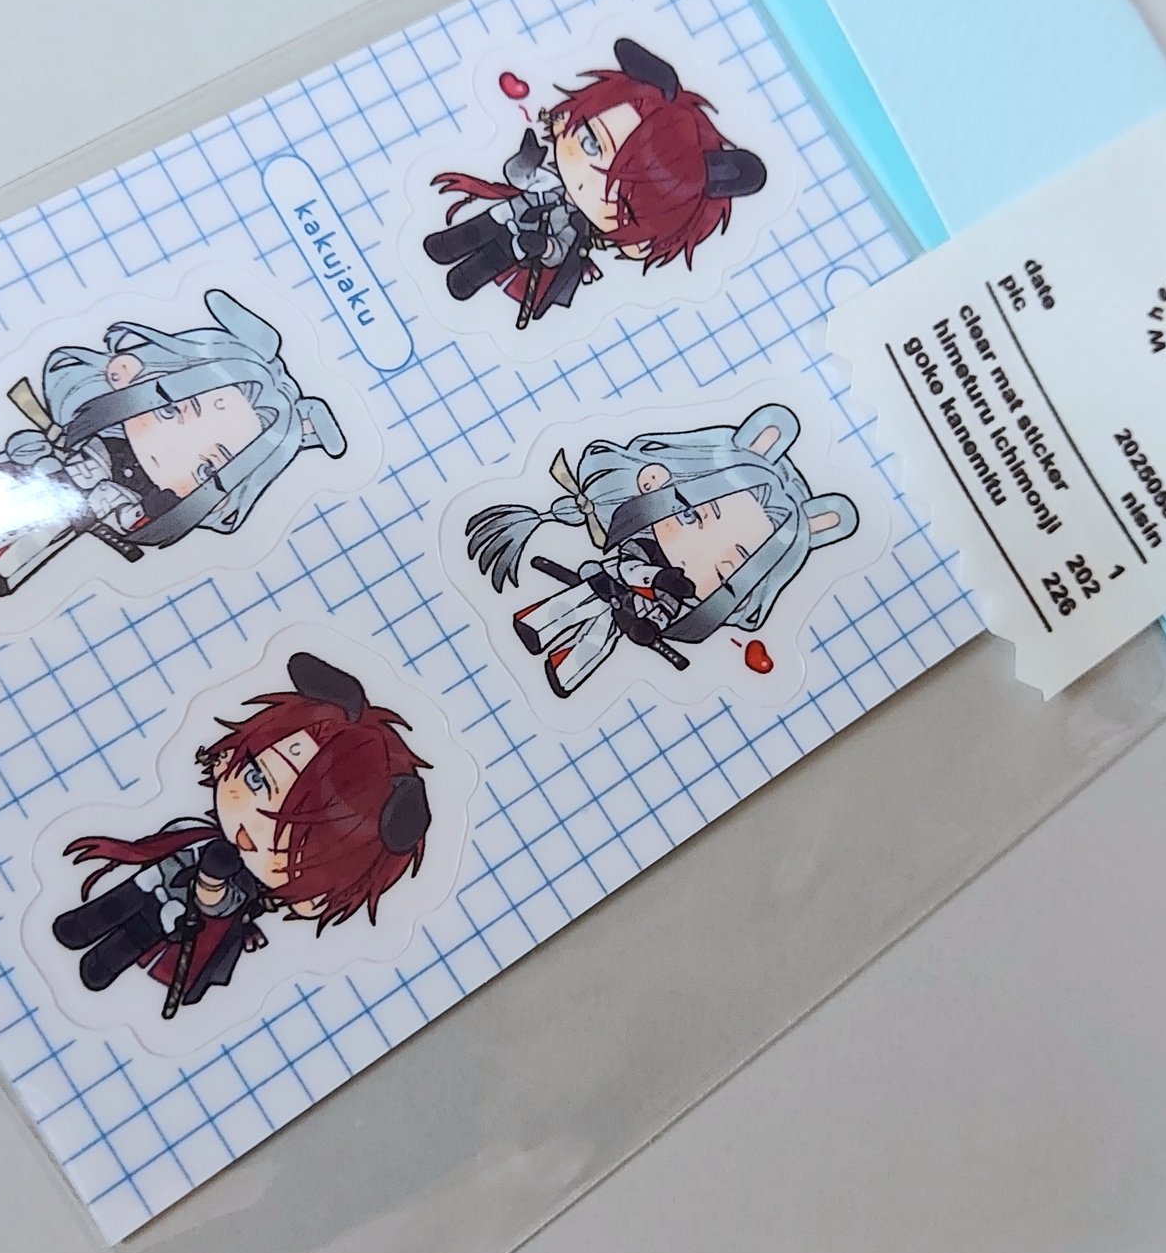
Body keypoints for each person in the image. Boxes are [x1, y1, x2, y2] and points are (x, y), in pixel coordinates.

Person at [0, 288, 346, 595]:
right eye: (173, 411)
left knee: (45, 524)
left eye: (209, 467)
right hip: (60, 480)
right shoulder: (96, 441)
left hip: (85, 513)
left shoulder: (155, 501)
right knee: (35, 470)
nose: (178, 452)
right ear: (130, 374)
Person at [52, 654, 431, 1017]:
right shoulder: (199, 833)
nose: (254, 827)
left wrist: (211, 885)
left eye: (294, 838)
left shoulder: (246, 887)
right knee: (127, 896)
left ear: (313, 899)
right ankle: (83, 923)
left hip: (183, 914)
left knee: (141, 932)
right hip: (163, 873)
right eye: (256, 777)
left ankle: (103, 963)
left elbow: (219, 906)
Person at [466, 404, 857, 696]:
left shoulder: (685, 599)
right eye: (694, 516)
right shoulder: (642, 547)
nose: (703, 555)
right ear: (657, 483)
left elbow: (665, 609)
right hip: (606, 587)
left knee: (597, 641)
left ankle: (564, 671)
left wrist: (648, 626)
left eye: (727, 570)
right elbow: (630, 569)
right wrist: (657, 578)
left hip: (627, 615)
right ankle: (536, 626)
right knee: (572, 607)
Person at [423, 37, 766, 327]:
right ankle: (448, 244)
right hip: (506, 214)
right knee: (478, 228)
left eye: (622, 196)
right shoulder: (551, 179)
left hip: (524, 247)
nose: (590, 179)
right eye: (590, 142)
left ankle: (465, 279)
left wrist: (542, 247)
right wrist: (527, 159)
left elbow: (559, 252)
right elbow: (520, 177)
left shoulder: (577, 230)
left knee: (488, 263)